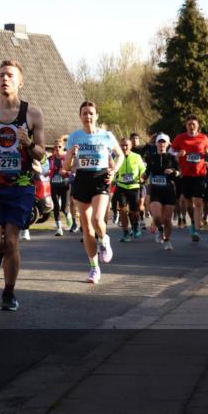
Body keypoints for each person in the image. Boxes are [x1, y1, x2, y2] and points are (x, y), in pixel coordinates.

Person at [0, 60, 45, 311]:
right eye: (1, 75)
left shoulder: (32, 114)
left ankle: (9, 292)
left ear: (20, 82)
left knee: (12, 241)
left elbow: (40, 154)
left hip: (22, 186)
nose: (5, 79)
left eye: (10, 75)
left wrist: (27, 143)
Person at [63, 101, 122, 284]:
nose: (88, 116)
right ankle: (94, 268)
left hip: (100, 179)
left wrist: (113, 171)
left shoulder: (107, 136)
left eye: (91, 113)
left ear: (96, 116)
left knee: (97, 219)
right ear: (80, 116)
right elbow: (66, 167)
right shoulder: (74, 137)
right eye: (84, 113)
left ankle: (104, 239)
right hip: (82, 180)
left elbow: (119, 155)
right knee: (87, 229)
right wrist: (71, 153)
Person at [170, 114, 208, 243]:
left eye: (193, 124)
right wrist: (178, 153)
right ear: (186, 126)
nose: (191, 126)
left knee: (199, 202)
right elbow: (170, 151)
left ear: (197, 125)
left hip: (200, 174)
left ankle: (195, 230)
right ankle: (193, 222)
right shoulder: (180, 138)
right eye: (189, 124)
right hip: (186, 175)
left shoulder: (203, 137)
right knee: (187, 202)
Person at [145, 133, 180, 251]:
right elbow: (147, 172)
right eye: (159, 142)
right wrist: (142, 178)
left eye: (164, 142)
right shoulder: (152, 158)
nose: (162, 144)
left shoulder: (172, 158)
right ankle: (160, 230)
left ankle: (167, 240)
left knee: (166, 219)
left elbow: (179, 173)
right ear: (156, 144)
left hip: (169, 191)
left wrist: (173, 171)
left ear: (168, 144)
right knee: (157, 217)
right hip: (155, 191)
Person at [114, 137, 147, 242]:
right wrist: (114, 179)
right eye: (122, 145)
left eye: (126, 145)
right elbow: (114, 170)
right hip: (122, 187)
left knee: (134, 212)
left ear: (130, 146)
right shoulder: (117, 158)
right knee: (123, 211)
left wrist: (142, 177)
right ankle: (126, 233)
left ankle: (136, 225)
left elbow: (143, 169)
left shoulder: (137, 157)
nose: (124, 147)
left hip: (134, 187)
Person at [47, 141, 71, 236]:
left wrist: (65, 172)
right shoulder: (50, 158)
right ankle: (59, 228)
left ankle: (68, 215)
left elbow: (72, 170)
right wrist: (46, 172)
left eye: (59, 146)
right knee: (56, 206)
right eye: (55, 146)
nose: (57, 148)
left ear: (63, 147)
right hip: (54, 185)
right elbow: (45, 168)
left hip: (65, 185)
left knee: (64, 207)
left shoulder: (67, 158)